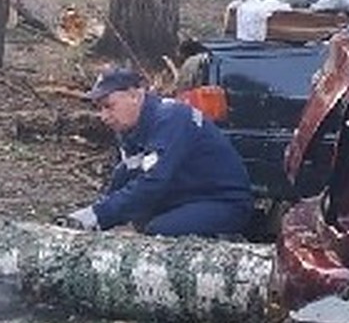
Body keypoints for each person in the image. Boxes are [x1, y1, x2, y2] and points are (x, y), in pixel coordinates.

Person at [63, 66, 254, 237]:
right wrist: (94, 215)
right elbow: (124, 176)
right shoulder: (130, 128)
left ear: (134, 96)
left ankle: (222, 247)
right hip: (185, 196)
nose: (103, 116)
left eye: (109, 106)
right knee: (142, 220)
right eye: (99, 108)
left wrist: (98, 216)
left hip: (223, 202)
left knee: (160, 232)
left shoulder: (171, 119)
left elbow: (153, 182)